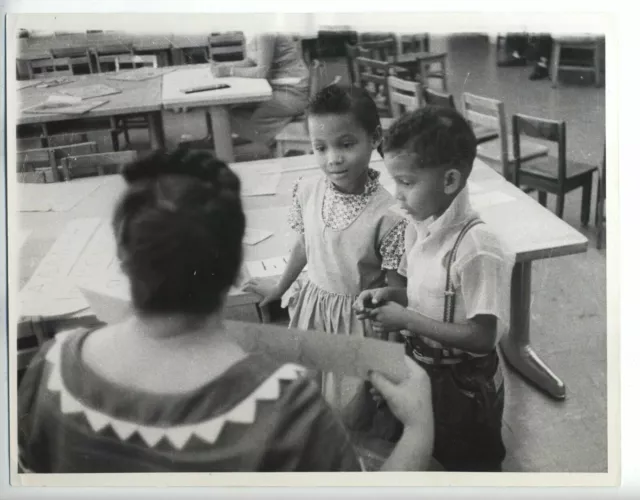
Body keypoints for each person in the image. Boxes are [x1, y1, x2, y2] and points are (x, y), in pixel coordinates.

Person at [17, 148, 434, 473]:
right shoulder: (286, 408)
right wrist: (418, 428)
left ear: (123, 258)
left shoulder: (51, 365)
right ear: (237, 268)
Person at [355, 106, 515, 472]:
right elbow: (425, 295)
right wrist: (389, 298)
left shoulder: (478, 247)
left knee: (467, 464)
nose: (397, 195)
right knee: (425, 451)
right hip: (423, 365)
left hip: (463, 385)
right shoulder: (419, 225)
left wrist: (406, 319)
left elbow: (482, 338)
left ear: (450, 181)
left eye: (407, 183)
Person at [243, 85, 408, 426]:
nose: (332, 158)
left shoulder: (389, 215)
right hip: (311, 313)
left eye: (346, 144)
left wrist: (390, 363)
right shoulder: (306, 190)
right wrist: (279, 287)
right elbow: (306, 246)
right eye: (321, 147)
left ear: (374, 137)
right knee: (309, 400)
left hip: (358, 327)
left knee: (350, 412)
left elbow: (397, 297)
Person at [209, 33, 310, 148]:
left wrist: (229, 71)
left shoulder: (265, 33)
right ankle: (267, 137)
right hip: (277, 88)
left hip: (292, 93)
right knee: (229, 110)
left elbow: (261, 72)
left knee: (226, 117)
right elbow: (251, 61)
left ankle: (271, 141)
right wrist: (224, 66)